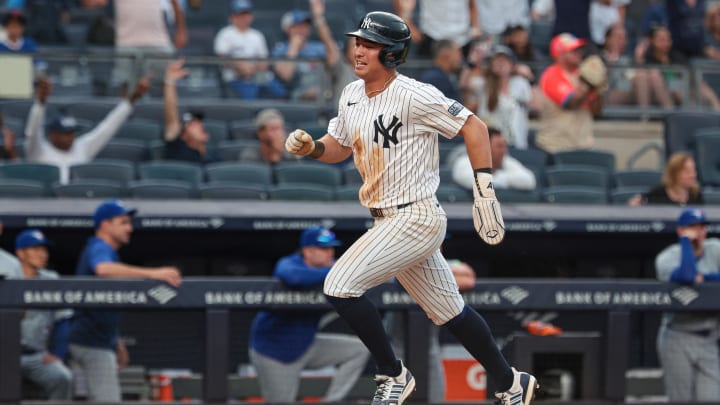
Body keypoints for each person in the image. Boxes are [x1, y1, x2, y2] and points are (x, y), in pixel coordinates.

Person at [284, 11, 537, 405]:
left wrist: (484, 188)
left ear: (391, 54)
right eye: (359, 41)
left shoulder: (414, 93)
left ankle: (393, 374)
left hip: (415, 215)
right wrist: (312, 148)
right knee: (451, 312)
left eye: (370, 44)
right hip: (387, 219)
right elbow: (339, 146)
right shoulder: (351, 94)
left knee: (338, 286)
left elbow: (475, 127)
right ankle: (511, 381)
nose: (359, 49)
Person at [68, 199, 182, 402]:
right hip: (92, 342)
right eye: (123, 222)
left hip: (96, 339)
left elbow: (104, 305)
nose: (130, 228)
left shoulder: (106, 251)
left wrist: (117, 342)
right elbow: (102, 269)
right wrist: (154, 273)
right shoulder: (99, 246)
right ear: (105, 224)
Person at [248, 226, 369, 403]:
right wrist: (338, 270)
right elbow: (295, 278)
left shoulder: (331, 269)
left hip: (306, 344)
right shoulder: (290, 263)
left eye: (331, 248)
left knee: (359, 349)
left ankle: (332, 401)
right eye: (324, 249)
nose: (330, 253)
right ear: (308, 251)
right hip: (274, 351)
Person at [24, 76, 150, 184]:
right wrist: (40, 103)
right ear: (52, 135)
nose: (70, 137)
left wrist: (134, 97)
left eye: (72, 132)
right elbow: (32, 132)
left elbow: (108, 127)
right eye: (65, 133)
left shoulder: (82, 147)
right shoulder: (38, 150)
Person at [655, 207, 720, 402]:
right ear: (680, 230)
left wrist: (706, 278)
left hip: (709, 336)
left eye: (701, 227)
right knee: (681, 400)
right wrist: (686, 242)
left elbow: (699, 278)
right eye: (692, 227)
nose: (698, 232)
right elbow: (686, 276)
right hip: (677, 334)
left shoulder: (715, 248)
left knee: (712, 399)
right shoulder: (667, 257)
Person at [15, 229, 73, 401]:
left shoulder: (51, 279)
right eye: (35, 249)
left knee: (62, 377)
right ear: (21, 254)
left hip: (36, 356)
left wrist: (58, 355)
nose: (42, 254)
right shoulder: (7, 278)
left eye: (44, 249)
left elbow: (64, 319)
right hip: (5, 355)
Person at [536, 33, 604, 153]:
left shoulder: (583, 75)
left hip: (584, 145)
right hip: (555, 146)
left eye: (579, 49)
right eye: (573, 50)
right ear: (560, 54)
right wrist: (589, 85)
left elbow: (596, 111)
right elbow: (570, 103)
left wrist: (598, 88)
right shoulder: (552, 74)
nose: (579, 53)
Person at [213, 0, 285, 100]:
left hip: (258, 75)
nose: (243, 18)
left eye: (246, 14)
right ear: (232, 17)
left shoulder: (257, 35)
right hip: (235, 77)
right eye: (239, 14)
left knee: (279, 92)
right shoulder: (225, 34)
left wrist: (254, 68)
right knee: (250, 94)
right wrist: (239, 66)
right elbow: (222, 57)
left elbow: (264, 60)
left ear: (251, 16)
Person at [272, 0, 340, 101]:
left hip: (324, 96)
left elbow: (336, 60)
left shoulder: (317, 47)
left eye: (305, 25)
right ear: (288, 28)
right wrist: (293, 47)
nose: (302, 29)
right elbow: (286, 75)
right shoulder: (281, 50)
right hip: (296, 99)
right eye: (298, 26)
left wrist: (319, 18)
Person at [469, 45, 532, 149]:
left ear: (512, 65)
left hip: (516, 142)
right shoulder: (483, 85)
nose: (501, 63)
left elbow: (536, 106)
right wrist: (474, 62)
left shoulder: (521, 83)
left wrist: (530, 78)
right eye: (497, 60)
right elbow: (466, 84)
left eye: (505, 60)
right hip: (490, 143)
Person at [162, 60, 216, 163]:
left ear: (206, 136)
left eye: (200, 123)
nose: (199, 124)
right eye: (192, 123)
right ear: (183, 135)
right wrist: (170, 82)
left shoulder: (213, 161)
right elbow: (171, 116)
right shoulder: (176, 148)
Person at [452, 127, 536, 191]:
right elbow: (477, 183)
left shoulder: (506, 161)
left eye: (505, 146)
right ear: (485, 147)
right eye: (499, 146)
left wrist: (499, 177)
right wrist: (507, 181)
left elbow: (530, 181)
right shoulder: (463, 162)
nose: (504, 151)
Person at [629, 151, 704, 206]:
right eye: (687, 171)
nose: (693, 175)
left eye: (694, 170)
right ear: (674, 173)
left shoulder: (696, 194)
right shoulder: (657, 194)